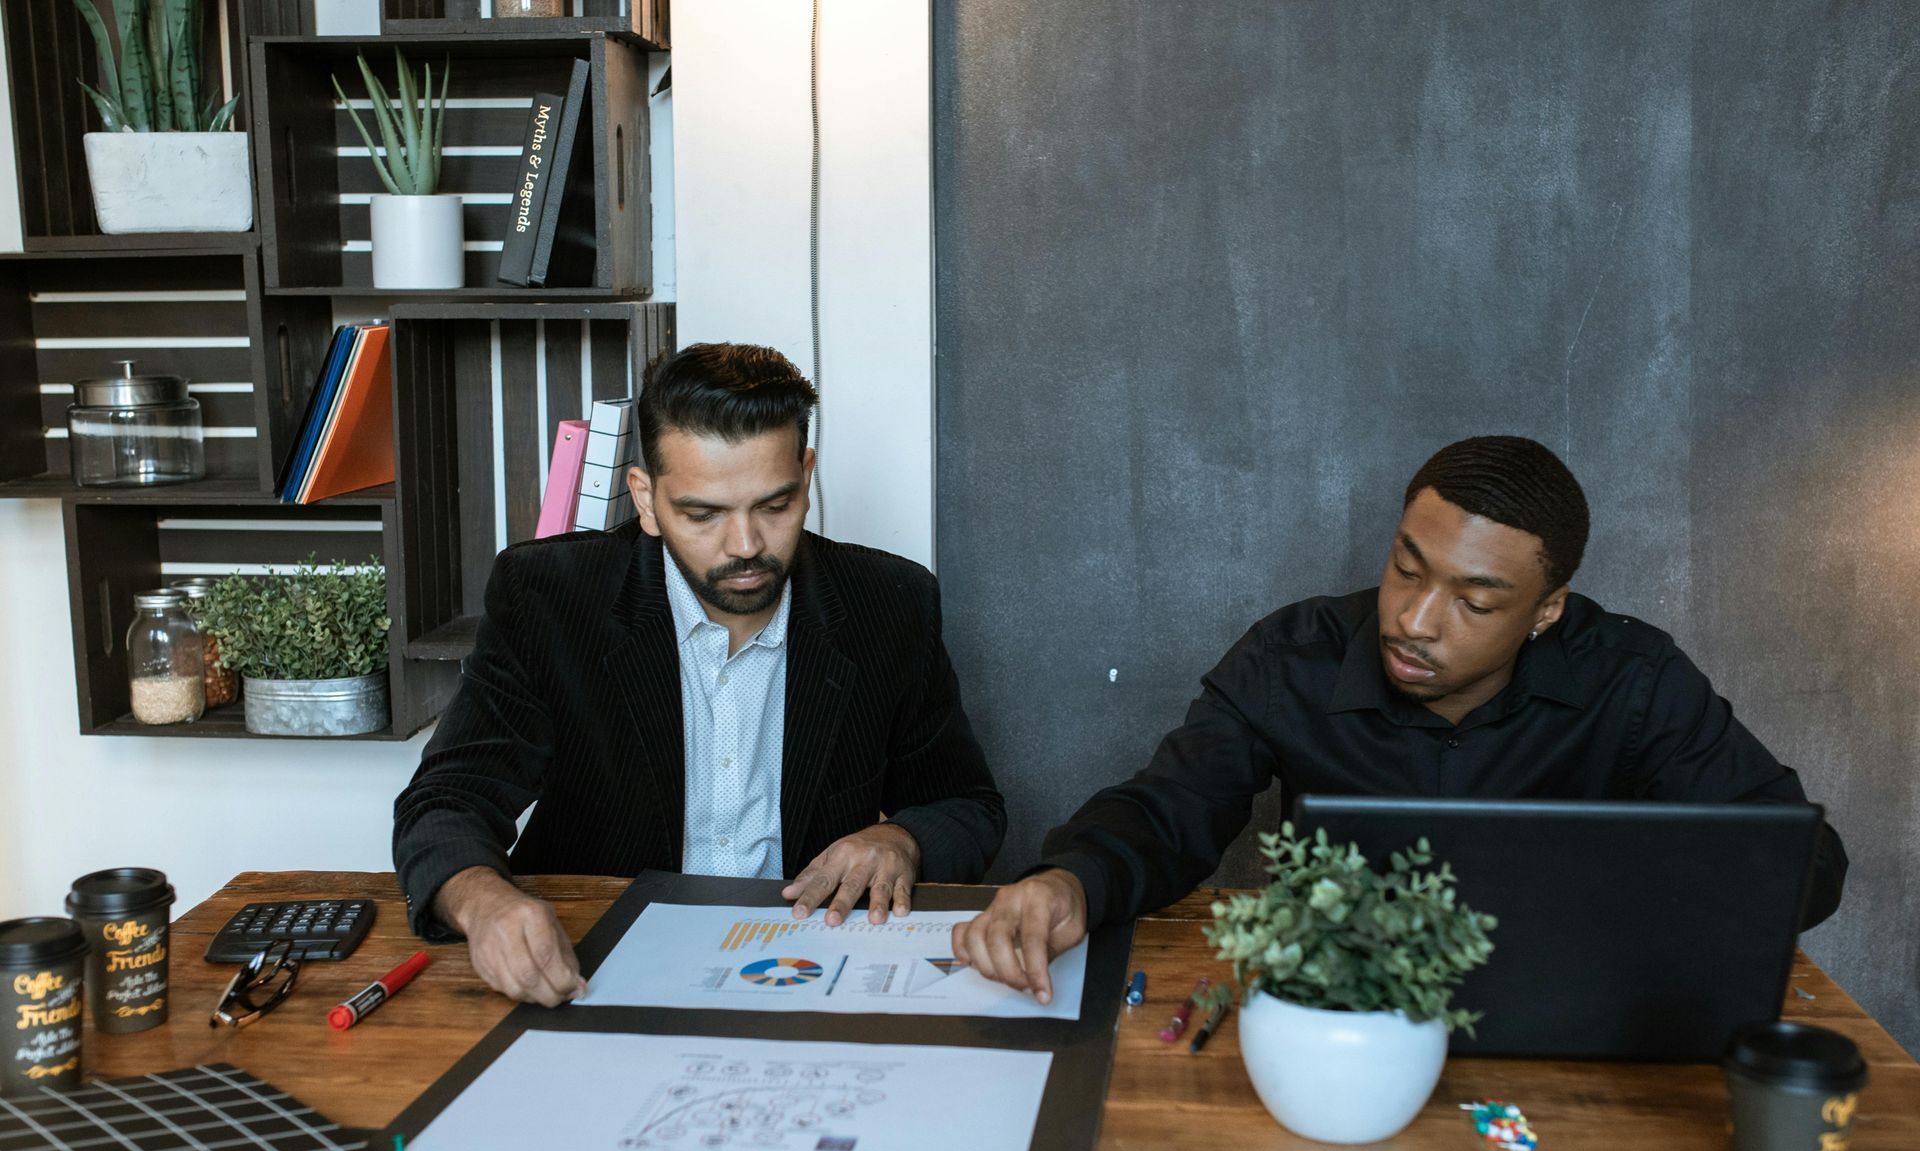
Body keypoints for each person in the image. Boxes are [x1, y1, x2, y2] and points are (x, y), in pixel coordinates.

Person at [953, 435, 1848, 1003]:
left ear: (1547, 610)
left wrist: (1618, 903)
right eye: (1408, 568)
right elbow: (1168, 809)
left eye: (1476, 600)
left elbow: (1803, 864)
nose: (1416, 619)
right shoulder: (1290, 655)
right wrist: (1070, 881)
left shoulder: (1636, 679)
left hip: (1567, 1021)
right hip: (1339, 1015)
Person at [394, 342, 1004, 1006]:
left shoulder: (888, 603)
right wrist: (484, 902)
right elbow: (446, 802)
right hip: (593, 968)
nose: (745, 545)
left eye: (774, 506)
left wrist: (903, 839)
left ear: (806, 476)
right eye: (703, 513)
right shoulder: (548, 600)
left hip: (806, 970)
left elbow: (967, 805)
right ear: (646, 500)